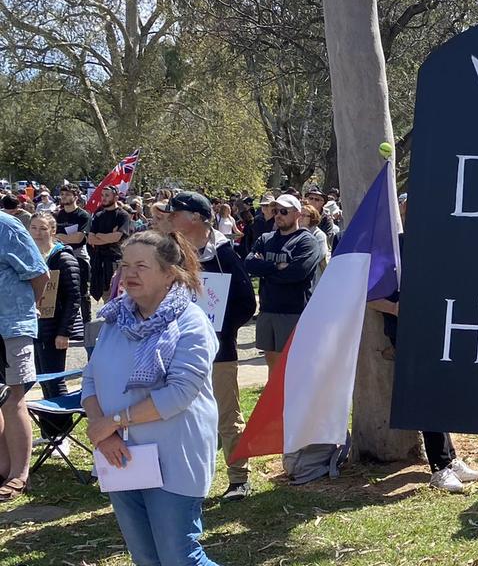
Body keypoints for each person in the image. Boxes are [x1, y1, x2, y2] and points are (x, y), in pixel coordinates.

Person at [81, 230, 220, 564]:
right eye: (125, 265)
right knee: (145, 556)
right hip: (120, 456)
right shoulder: (115, 319)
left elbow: (178, 394)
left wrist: (112, 423)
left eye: (141, 266)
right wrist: (105, 435)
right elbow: (90, 380)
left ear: (169, 273)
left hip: (174, 455)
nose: (129, 274)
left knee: (179, 556)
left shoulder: (191, 322)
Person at [369, 194, 478, 494]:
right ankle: (439, 467)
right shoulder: (393, 249)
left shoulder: (439, 246)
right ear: (403, 213)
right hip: (406, 334)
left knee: (439, 395)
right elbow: (370, 296)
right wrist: (397, 309)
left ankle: (450, 459)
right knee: (425, 396)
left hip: (438, 331)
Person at [165, 192, 260, 501]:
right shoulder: (170, 253)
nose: (169, 216)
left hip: (220, 351)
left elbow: (246, 303)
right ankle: (184, 481)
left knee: (227, 415)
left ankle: (238, 478)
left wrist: (220, 330)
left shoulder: (224, 254)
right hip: (177, 351)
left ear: (195, 217)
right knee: (181, 416)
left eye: (175, 212)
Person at [0, 210, 50, 500]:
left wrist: (26, 308)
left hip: (11, 325)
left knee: (13, 397)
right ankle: (4, 467)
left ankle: (20, 475)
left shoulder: (7, 227)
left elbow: (39, 274)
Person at [244, 195, 322, 375]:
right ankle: (274, 401)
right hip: (267, 309)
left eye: (284, 211)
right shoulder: (266, 239)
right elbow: (249, 263)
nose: (278, 215)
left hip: (293, 312)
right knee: (272, 364)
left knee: (292, 367)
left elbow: (297, 273)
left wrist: (265, 269)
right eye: (275, 211)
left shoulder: (306, 241)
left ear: (298, 214)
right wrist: (277, 266)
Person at [27, 213, 83, 441]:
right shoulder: (30, 256)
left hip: (55, 330)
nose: (38, 233)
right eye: (33, 228)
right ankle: (49, 433)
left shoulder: (63, 257)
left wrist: (64, 332)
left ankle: (64, 435)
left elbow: (74, 297)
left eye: (42, 228)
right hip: (35, 328)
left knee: (56, 380)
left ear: (52, 230)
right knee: (41, 379)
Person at [87, 185, 132, 307]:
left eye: (107, 195)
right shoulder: (98, 215)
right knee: (101, 292)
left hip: (114, 260)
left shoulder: (122, 215)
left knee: (115, 293)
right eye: (102, 195)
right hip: (98, 259)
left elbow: (117, 237)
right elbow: (91, 239)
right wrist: (107, 236)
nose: (104, 198)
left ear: (116, 197)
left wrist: (99, 235)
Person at [53, 184, 92, 325]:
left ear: (76, 197)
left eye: (68, 194)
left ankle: (87, 324)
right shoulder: (57, 215)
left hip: (78, 255)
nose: (64, 197)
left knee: (81, 292)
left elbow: (78, 239)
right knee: (62, 292)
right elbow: (51, 236)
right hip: (60, 254)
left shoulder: (83, 215)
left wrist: (60, 235)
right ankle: (66, 324)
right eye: (62, 194)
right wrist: (64, 236)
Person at [299, 204, 332, 272]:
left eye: (304, 215)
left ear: (312, 218)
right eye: (299, 214)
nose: (300, 217)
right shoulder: (296, 232)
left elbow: (318, 256)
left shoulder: (319, 235)